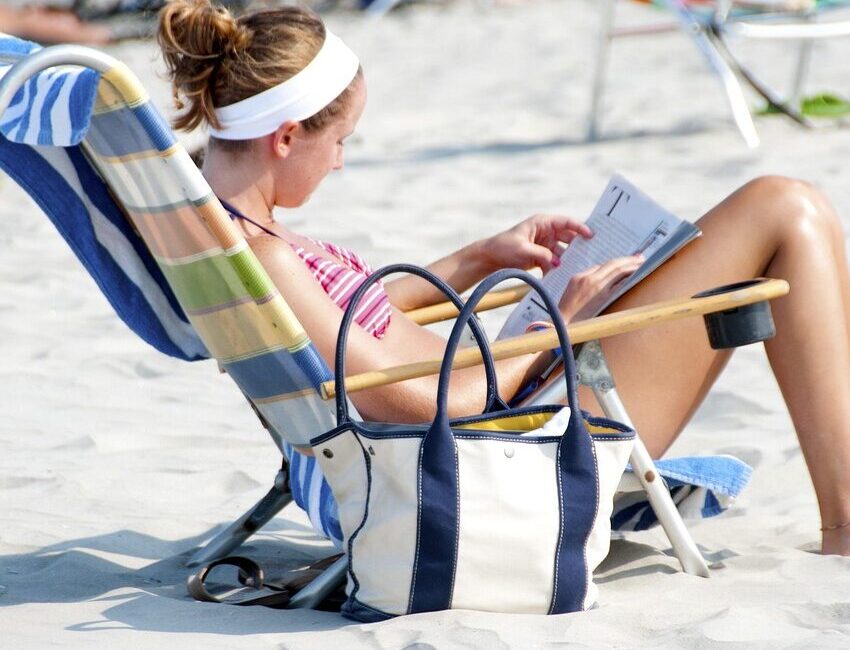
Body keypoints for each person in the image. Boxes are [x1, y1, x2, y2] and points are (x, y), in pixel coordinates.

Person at [157, 0, 850, 556]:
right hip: (505, 450)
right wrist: (561, 326)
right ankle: (846, 525)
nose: (338, 162)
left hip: (506, 402)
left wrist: (484, 257)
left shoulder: (238, 240)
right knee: (786, 209)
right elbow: (423, 405)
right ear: (284, 137)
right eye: (339, 142)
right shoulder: (270, 257)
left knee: (761, 216)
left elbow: (350, 325)